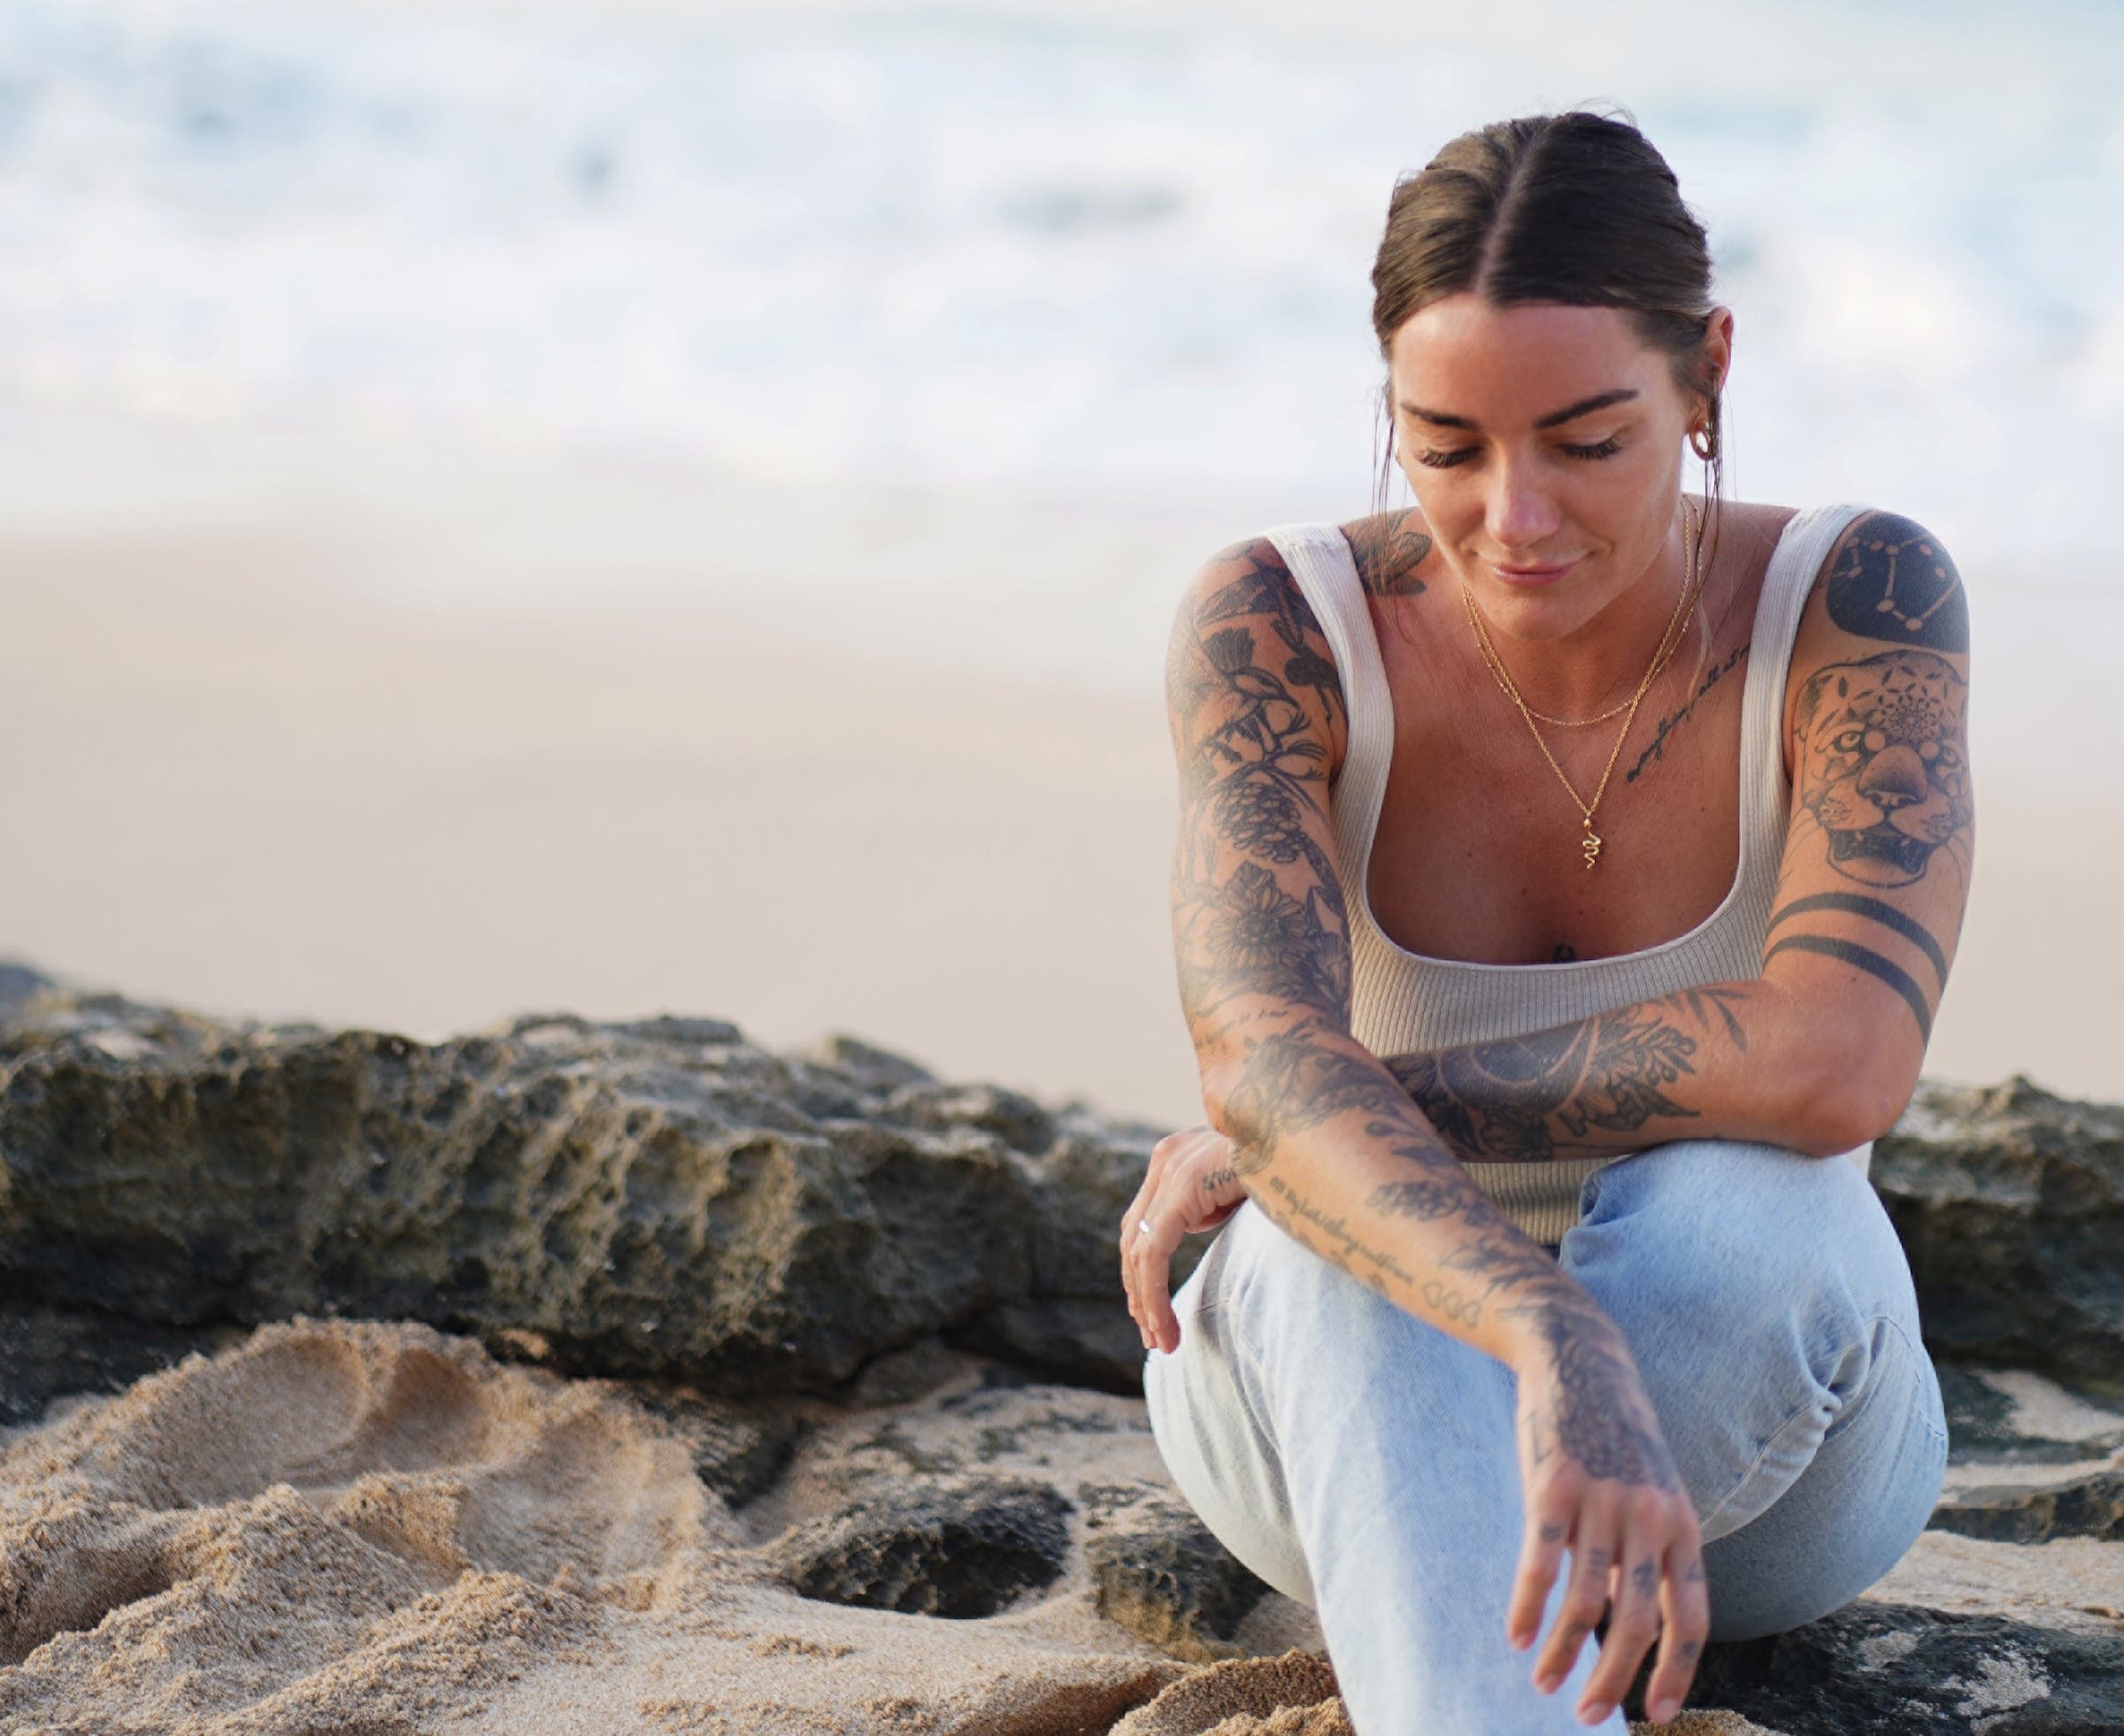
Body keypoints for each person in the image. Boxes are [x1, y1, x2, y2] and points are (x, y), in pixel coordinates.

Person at [1121, 110, 1966, 1734]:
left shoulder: (1862, 604)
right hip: (1328, 1417)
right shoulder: (1277, 627)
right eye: (1446, 447)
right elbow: (1260, 1057)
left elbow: (1841, 1059)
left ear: (1706, 374)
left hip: (1765, 1451)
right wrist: (1540, 1319)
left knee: (1750, 1215)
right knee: (1326, 1233)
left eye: (1587, 442)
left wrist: (1300, 1117)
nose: (1515, 518)